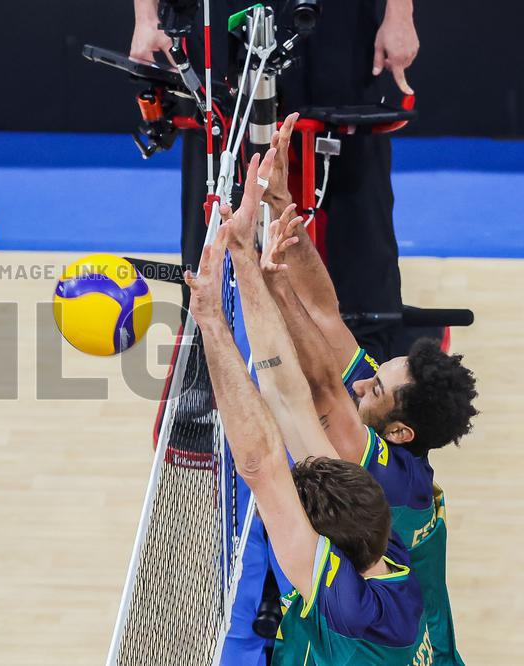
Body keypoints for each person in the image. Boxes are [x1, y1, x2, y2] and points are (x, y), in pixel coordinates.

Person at [184, 152, 429, 664]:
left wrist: (212, 319)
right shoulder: (384, 549)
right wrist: (245, 259)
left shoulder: (348, 609)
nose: (362, 384)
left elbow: (261, 465)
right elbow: (292, 397)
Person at [256, 114, 476, 664]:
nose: (361, 383)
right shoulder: (396, 437)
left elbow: (324, 390)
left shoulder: (393, 480)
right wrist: (284, 207)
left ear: (399, 432)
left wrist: (275, 286)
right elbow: (326, 315)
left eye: (375, 389)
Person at [132, 0, 420, 362]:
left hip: (337, 21)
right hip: (222, 14)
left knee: (351, 151)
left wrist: (400, 14)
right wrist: (146, 18)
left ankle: (369, 346)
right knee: (217, 146)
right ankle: (210, 344)